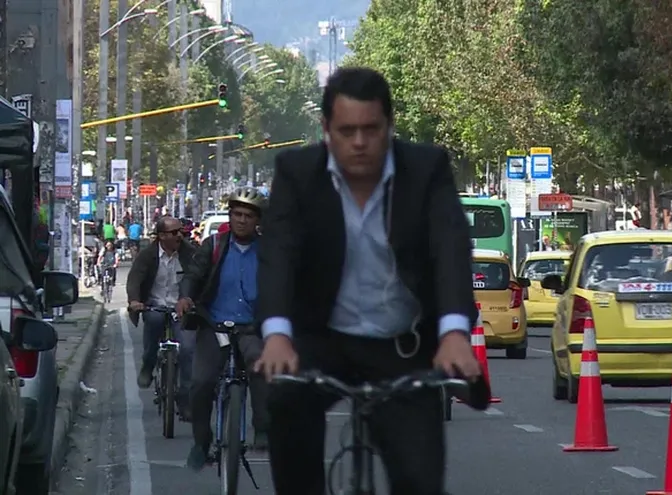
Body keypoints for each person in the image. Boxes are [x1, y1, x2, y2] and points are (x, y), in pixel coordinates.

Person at [254, 67, 482, 495]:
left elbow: (449, 249)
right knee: (286, 403)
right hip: (321, 340)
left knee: (419, 477)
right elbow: (278, 255)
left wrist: (454, 332)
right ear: (326, 130)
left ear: (389, 126)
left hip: (402, 343)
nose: (359, 143)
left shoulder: (427, 169)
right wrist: (277, 336)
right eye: (346, 131)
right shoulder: (297, 173)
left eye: (371, 129)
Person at [175, 187, 270, 470]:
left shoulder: (269, 251)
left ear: (258, 221)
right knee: (202, 382)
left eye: (248, 216)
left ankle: (262, 428)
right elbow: (194, 275)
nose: (242, 220)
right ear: (230, 216)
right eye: (237, 214)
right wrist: (186, 296)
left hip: (251, 327)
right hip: (214, 324)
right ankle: (201, 443)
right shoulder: (214, 245)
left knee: (258, 367)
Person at [125, 216, 198, 414]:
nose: (180, 236)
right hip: (154, 306)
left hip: (180, 309)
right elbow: (135, 279)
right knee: (154, 324)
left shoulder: (190, 254)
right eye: (175, 233)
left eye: (181, 232)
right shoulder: (147, 256)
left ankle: (185, 397)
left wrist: (192, 300)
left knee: (188, 348)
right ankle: (148, 365)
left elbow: (198, 277)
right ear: (162, 236)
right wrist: (134, 301)